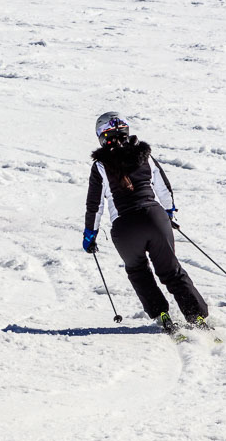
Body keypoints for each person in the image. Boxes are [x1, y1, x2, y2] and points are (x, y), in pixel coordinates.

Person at [82, 112, 209, 333]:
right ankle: (196, 316)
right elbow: (163, 188)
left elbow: (95, 206)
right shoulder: (145, 156)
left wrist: (89, 234)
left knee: (138, 271)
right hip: (155, 218)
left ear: (101, 138)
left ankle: (161, 313)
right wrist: (170, 214)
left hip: (125, 228)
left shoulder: (101, 166)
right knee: (171, 271)